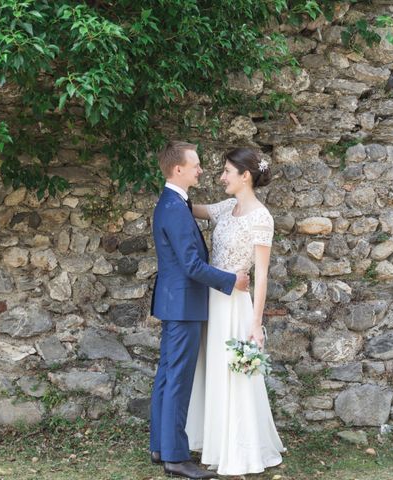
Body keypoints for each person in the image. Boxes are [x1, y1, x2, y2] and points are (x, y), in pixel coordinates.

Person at [150, 141, 250, 479]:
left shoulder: (173, 203)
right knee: (177, 379)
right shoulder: (175, 207)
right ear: (178, 169)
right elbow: (192, 265)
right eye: (196, 165)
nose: (201, 170)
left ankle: (161, 446)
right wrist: (231, 279)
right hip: (183, 305)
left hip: (176, 303)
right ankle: (176, 458)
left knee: (167, 376)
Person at [185, 147, 285, 476]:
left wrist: (256, 324)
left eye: (227, 171)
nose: (221, 177)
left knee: (235, 377)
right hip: (211, 302)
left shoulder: (262, 217)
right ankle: (214, 442)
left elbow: (262, 274)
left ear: (245, 176)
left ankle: (239, 449)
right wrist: (176, 187)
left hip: (235, 308)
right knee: (213, 372)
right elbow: (191, 209)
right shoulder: (227, 207)